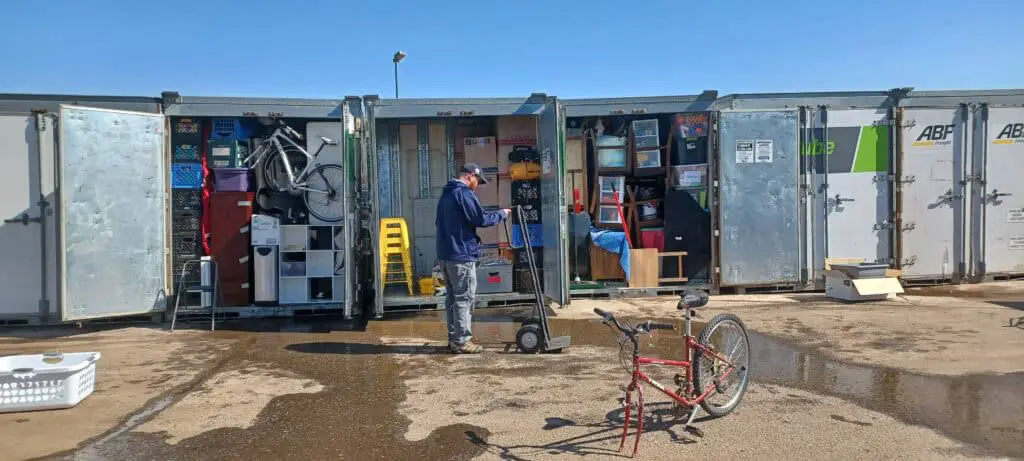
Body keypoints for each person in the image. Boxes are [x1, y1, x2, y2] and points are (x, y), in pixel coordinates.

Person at [436, 164, 510, 354]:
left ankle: (454, 339)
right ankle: (462, 341)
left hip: (446, 255)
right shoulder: (464, 194)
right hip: (461, 255)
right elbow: (480, 219)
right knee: (464, 298)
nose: (477, 185)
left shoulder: (446, 195)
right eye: (478, 181)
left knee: (452, 299)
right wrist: (502, 214)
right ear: (470, 176)